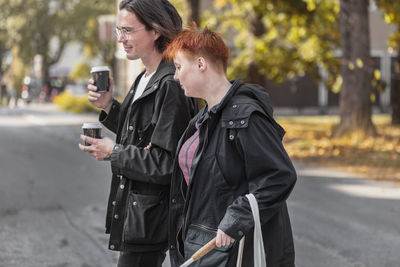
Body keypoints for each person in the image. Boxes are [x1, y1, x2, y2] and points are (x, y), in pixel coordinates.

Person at [163, 27, 297, 267]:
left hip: (234, 253)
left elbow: (279, 176)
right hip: (204, 249)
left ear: (201, 64)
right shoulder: (201, 120)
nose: (175, 76)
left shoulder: (245, 116)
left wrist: (237, 218)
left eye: (179, 67)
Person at [78, 1, 196, 266]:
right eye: (118, 30)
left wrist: (114, 152)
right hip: (137, 212)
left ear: (155, 31)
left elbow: (168, 163)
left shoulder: (171, 85)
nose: (121, 39)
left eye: (128, 30)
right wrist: (109, 105)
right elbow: (140, 134)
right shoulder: (145, 77)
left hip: (151, 218)